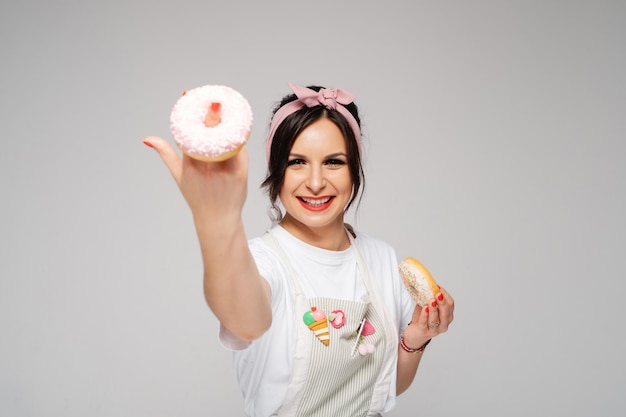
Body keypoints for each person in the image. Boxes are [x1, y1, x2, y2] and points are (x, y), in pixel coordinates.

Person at [143, 83, 454, 417]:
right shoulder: (261, 261)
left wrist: (416, 338)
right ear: (277, 171)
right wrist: (217, 220)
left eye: (333, 162)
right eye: (297, 162)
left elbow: (387, 387)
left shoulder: (381, 258)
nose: (316, 182)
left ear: (354, 170)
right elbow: (246, 320)